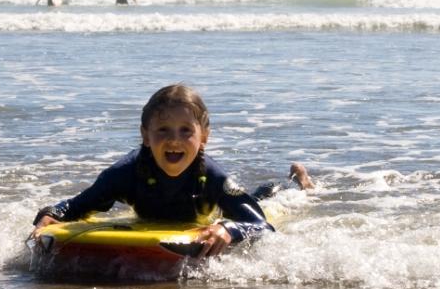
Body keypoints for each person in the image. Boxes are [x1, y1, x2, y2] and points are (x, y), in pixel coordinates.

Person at [32, 84, 313, 258]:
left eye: (185, 131)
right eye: (163, 130)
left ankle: (296, 180)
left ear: (204, 137)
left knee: (266, 198)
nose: (174, 140)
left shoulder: (213, 177)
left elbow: (262, 225)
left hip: (214, 212)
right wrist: (51, 214)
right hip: (167, 219)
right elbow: (79, 205)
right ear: (145, 135)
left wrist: (228, 228)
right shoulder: (125, 173)